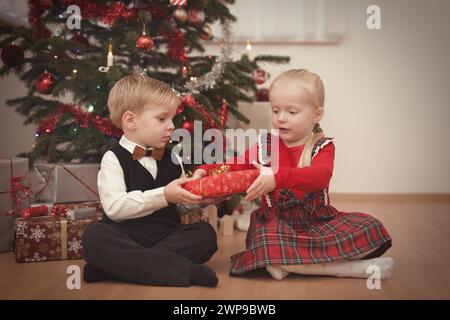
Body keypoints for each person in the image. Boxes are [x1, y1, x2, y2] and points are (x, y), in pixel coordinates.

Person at [194, 69, 393, 280]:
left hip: (316, 222)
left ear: (317, 115)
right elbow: (236, 166)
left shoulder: (321, 146)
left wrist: (277, 178)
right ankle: (351, 269)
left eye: (291, 112)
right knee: (267, 240)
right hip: (275, 224)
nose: (281, 119)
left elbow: (320, 176)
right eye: (276, 110)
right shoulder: (265, 145)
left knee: (371, 226)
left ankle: (286, 265)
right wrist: (205, 170)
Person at [81, 74, 218, 287]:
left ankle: (117, 268)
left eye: (173, 119)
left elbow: (181, 203)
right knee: (94, 236)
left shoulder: (173, 158)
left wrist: (198, 196)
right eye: (162, 119)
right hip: (125, 234)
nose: (172, 126)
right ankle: (182, 271)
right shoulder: (113, 159)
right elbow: (115, 208)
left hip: (164, 234)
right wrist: (163, 195)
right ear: (131, 120)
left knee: (205, 234)